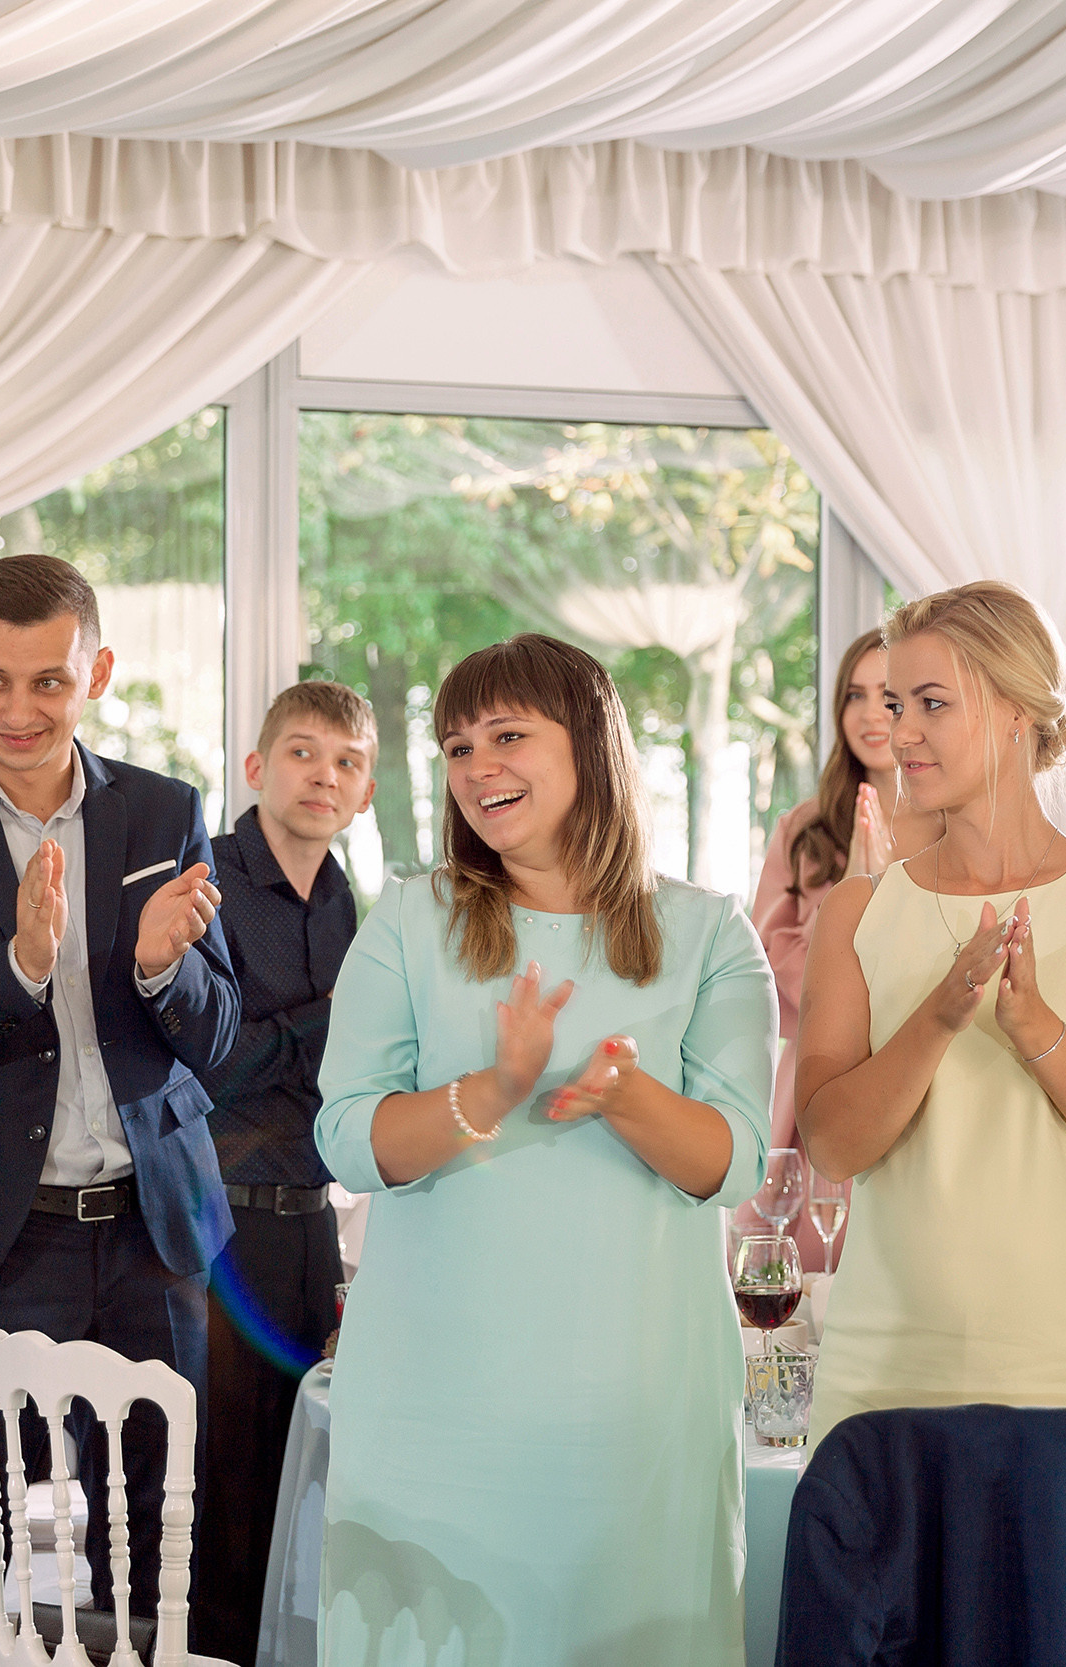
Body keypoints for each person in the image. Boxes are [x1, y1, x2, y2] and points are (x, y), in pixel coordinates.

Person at [314, 633, 775, 1667]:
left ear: (593, 748)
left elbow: (733, 1161)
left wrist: (620, 1090)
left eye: (508, 734)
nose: (478, 766)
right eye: (457, 744)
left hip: (638, 1410)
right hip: (438, 1407)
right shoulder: (408, 919)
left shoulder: (709, 932)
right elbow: (347, 1136)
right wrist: (491, 1091)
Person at [0, 553, 237, 1667]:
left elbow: (220, 1039)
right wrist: (18, 965)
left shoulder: (167, 810)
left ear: (97, 671)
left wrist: (165, 969)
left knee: (154, 1554)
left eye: (49, 681)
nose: (20, 709)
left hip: (155, 1239)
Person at [797, 581, 1066, 1440]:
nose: (899, 733)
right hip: (888, 1377)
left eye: (931, 703)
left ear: (1018, 709)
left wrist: (1035, 1028)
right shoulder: (858, 911)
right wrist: (940, 1017)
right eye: (896, 704)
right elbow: (831, 1142)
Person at [188, 680, 377, 1664]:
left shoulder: (344, 895)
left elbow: (338, 1072)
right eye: (304, 752)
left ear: (367, 788)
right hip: (218, 1227)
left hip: (308, 1220)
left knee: (296, 1478)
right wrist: (334, 1015)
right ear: (257, 768)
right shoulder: (207, 880)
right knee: (219, 1489)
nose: (325, 774)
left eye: (347, 760)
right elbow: (217, 1056)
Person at [749, 628, 939, 1265]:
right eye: (854, 695)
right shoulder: (802, 830)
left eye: (889, 696)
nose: (869, 714)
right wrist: (852, 899)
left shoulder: (955, 826)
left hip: (931, 1087)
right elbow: (775, 975)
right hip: (821, 1089)